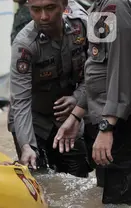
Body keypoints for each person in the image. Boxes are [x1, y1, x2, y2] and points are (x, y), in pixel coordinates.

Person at [54, 0, 131, 204]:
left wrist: (107, 128)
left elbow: (122, 69)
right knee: (107, 195)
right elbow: (97, 71)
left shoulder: (115, 6)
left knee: (118, 200)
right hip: (107, 121)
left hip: (118, 125)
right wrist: (75, 116)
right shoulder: (99, 7)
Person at [8, 0, 91, 177]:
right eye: (36, 10)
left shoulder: (82, 26)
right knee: (40, 180)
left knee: (78, 178)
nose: (43, 17)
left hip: (67, 116)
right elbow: (21, 101)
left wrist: (77, 97)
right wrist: (27, 146)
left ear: (64, 4)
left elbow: (97, 74)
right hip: (32, 119)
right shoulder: (24, 45)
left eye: (50, 8)